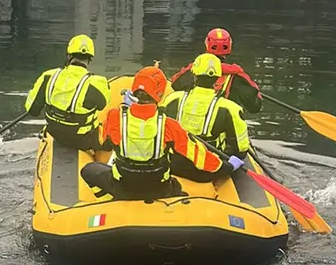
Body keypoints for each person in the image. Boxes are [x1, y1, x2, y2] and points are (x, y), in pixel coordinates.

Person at [81, 66, 245, 201]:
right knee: (177, 185)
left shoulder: (115, 117)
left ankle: (107, 202)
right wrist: (228, 166)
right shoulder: (169, 124)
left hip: (123, 186)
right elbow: (199, 157)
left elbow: (101, 140)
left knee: (88, 171)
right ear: (159, 94)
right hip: (159, 188)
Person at [24, 34, 110, 151]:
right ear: (90, 59)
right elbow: (102, 105)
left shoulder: (48, 76)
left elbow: (32, 111)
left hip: (55, 134)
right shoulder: (98, 83)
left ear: (69, 55)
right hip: (83, 140)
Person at [161, 53, 251, 162]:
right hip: (210, 167)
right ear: (218, 78)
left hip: (175, 162)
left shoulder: (172, 99)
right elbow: (241, 149)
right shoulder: (231, 108)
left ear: (194, 75)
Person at [170, 27, 263, 114]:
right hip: (224, 127)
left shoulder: (192, 70)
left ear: (206, 45)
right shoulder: (237, 77)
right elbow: (255, 107)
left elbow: (174, 86)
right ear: (229, 46)